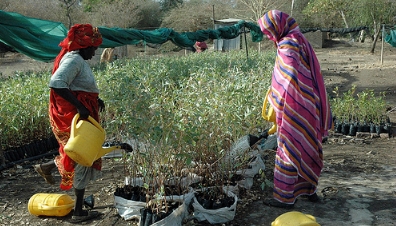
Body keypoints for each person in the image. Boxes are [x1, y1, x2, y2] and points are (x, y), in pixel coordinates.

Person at [258, 10, 333, 208]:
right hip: (310, 103)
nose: (268, 36)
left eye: (268, 31)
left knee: (288, 149)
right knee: (308, 145)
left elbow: (288, 76)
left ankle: (284, 198)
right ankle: (310, 190)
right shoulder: (300, 39)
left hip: (294, 106)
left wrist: (276, 98)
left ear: (278, 27)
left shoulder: (288, 44)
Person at [34, 24, 104, 223]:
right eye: (93, 48)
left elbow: (77, 85)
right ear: (84, 46)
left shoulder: (78, 59)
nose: (95, 52)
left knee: (76, 154)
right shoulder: (74, 59)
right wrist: (81, 106)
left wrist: (94, 101)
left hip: (79, 113)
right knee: (81, 155)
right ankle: (78, 212)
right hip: (73, 117)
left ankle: (47, 167)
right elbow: (57, 83)